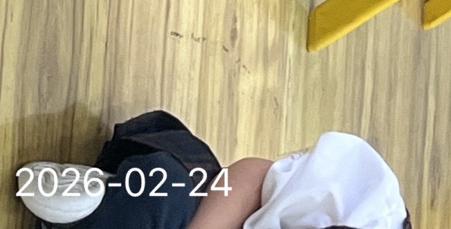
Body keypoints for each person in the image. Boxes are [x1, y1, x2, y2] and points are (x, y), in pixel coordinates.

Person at [16, 110, 411, 229]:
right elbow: (252, 176)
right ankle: (96, 205)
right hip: (209, 211)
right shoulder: (365, 207)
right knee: (164, 188)